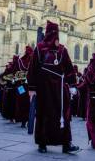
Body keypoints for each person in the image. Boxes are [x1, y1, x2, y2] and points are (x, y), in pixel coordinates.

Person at [27, 20, 79, 154]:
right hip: (43, 88)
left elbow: (69, 68)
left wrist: (72, 84)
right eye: (53, 32)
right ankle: (42, 143)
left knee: (64, 114)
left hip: (60, 89)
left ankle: (66, 143)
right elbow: (32, 69)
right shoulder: (39, 48)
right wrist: (32, 88)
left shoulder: (62, 49)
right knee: (44, 114)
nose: (55, 36)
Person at [14, 46, 33, 128]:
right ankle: (28, 120)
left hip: (21, 86)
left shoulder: (20, 61)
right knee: (30, 104)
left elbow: (16, 74)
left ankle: (23, 121)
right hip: (30, 87)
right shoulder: (33, 61)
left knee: (21, 102)